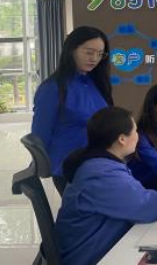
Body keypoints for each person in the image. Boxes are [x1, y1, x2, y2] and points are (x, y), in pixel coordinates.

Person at [56, 106, 157, 265]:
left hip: (92, 247)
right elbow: (148, 208)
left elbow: (135, 197)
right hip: (88, 257)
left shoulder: (97, 163)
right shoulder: (101, 173)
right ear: (122, 139)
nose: (138, 135)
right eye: (135, 131)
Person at [32, 26, 113, 192]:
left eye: (100, 54)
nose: (94, 59)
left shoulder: (95, 82)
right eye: (89, 52)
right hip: (70, 167)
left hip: (99, 163)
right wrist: (39, 164)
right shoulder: (52, 88)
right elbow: (40, 133)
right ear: (71, 50)